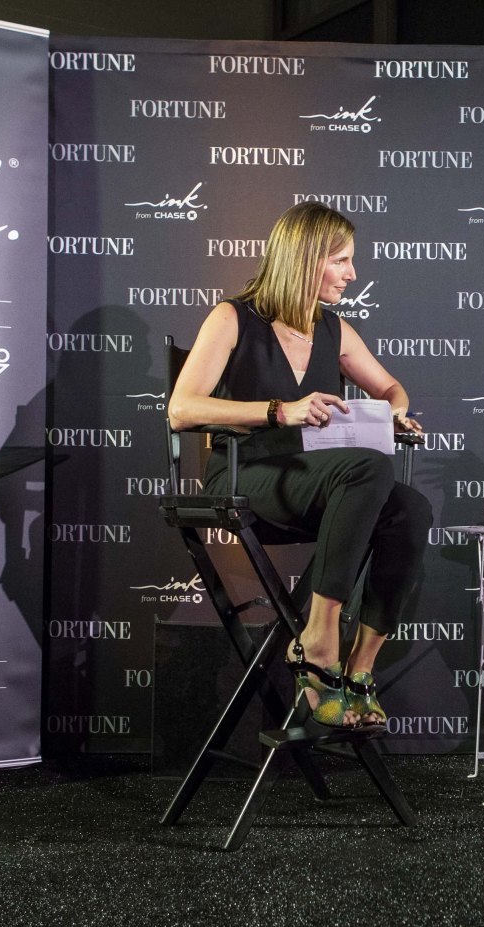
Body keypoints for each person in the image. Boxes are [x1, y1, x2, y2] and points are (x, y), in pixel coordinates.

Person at [168, 201, 431, 729]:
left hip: (320, 484)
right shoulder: (233, 318)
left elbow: (390, 388)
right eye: (341, 261)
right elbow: (182, 409)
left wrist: (395, 411)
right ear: (307, 260)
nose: (352, 274)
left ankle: (359, 669)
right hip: (246, 476)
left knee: (411, 508)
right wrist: (278, 411)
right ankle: (318, 638)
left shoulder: (334, 330)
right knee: (367, 469)